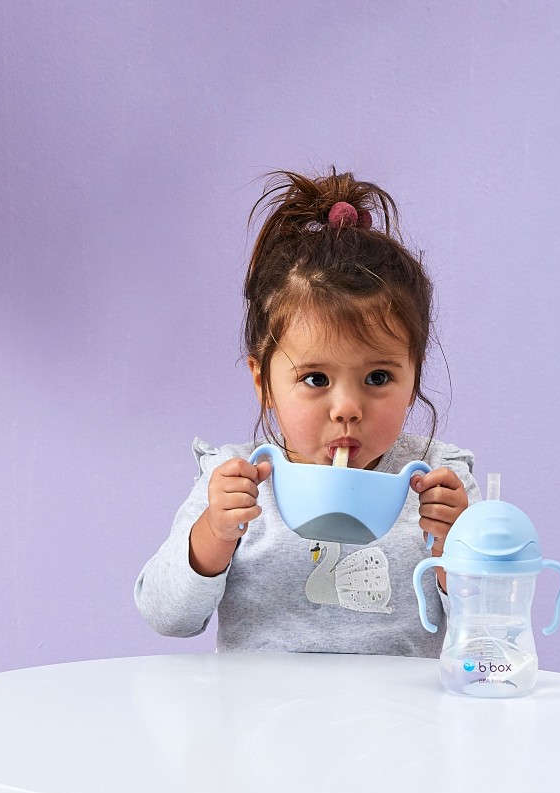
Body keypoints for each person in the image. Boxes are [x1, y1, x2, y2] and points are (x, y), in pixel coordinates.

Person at [135, 168, 482, 657]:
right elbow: (165, 615)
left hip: (401, 729)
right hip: (260, 726)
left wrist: (457, 550)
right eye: (316, 379)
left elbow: (487, 635)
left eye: (378, 378)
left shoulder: (442, 487)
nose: (347, 409)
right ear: (264, 383)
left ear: (414, 379)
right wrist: (213, 533)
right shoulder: (235, 484)